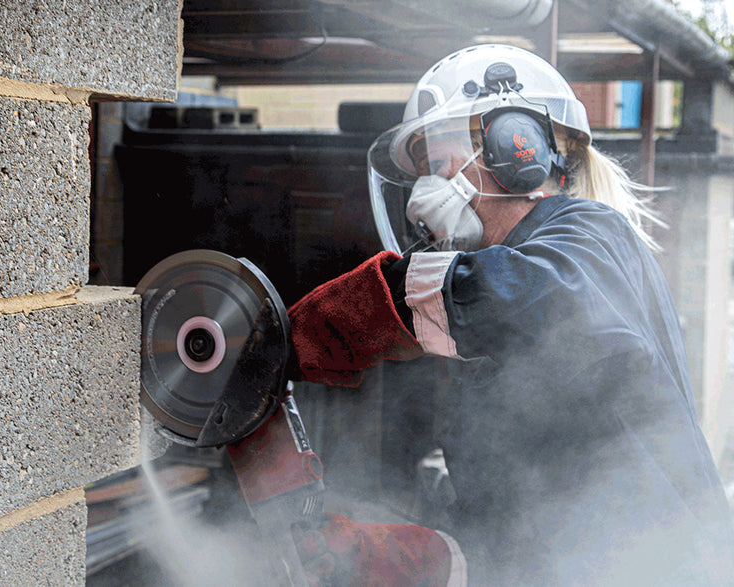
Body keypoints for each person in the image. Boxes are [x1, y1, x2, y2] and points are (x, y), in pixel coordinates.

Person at [288, 44, 734, 586]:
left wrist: (378, 302)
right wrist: (422, 557)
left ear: (515, 148)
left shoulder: (590, 240)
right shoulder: (486, 335)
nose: (425, 192)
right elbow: (508, 527)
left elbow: (528, 295)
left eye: (438, 165)